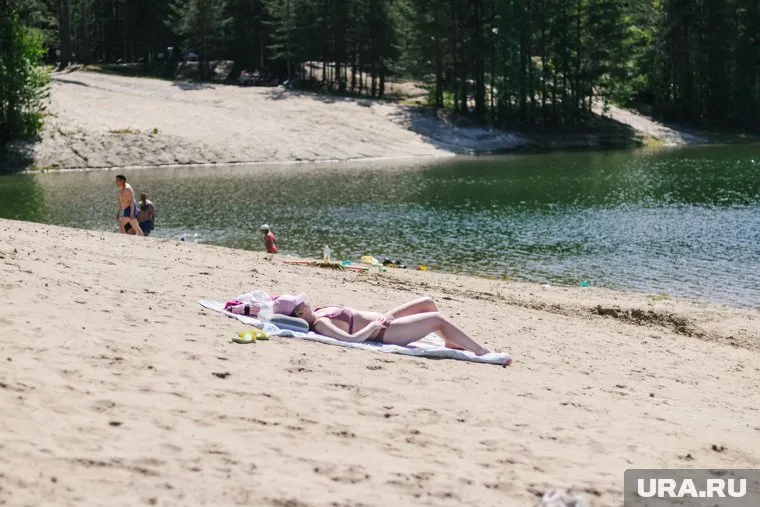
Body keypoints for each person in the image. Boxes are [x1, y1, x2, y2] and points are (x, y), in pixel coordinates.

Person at [272, 294, 494, 358]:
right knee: (437, 318)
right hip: (385, 333)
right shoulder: (321, 324)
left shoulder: (318, 312)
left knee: (427, 302)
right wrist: (374, 326)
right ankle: (480, 351)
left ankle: (448, 341)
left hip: (385, 322)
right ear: (300, 312)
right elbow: (351, 340)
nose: (305, 300)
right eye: (301, 302)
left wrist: (386, 316)